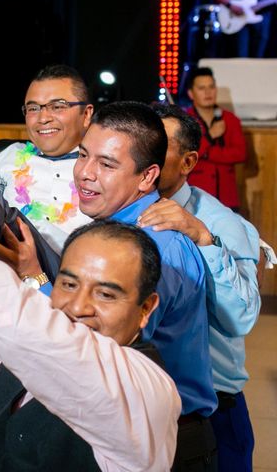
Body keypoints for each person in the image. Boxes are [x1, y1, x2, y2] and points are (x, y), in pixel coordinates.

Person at [0, 171, 180, 471]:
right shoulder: (27, 346)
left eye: (105, 294)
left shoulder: (147, 388)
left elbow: (39, 337)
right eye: (68, 284)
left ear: (145, 309)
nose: (79, 307)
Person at [73, 101, 218, 470]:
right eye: (82, 155)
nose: (84, 173)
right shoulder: (118, 230)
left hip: (164, 445)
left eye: (106, 164)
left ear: (146, 177)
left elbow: (91, 349)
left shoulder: (153, 244)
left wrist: (31, 278)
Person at [138, 104, 260, 472]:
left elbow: (240, 318)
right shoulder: (120, 211)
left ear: (188, 162)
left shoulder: (219, 222)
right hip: (143, 403)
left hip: (211, 410)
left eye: (158, 146)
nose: (144, 154)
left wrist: (203, 239)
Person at [0, 64, 94, 254]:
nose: (43, 118)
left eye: (57, 106)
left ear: (86, 114)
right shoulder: (6, 155)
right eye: (33, 108)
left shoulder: (104, 167)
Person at [185, 67, 247, 210]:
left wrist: (206, 153)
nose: (208, 92)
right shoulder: (185, 120)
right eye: (201, 88)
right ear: (191, 93)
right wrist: (210, 136)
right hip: (196, 196)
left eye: (211, 87)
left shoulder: (230, 120)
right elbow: (185, 155)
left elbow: (240, 154)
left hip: (227, 197)